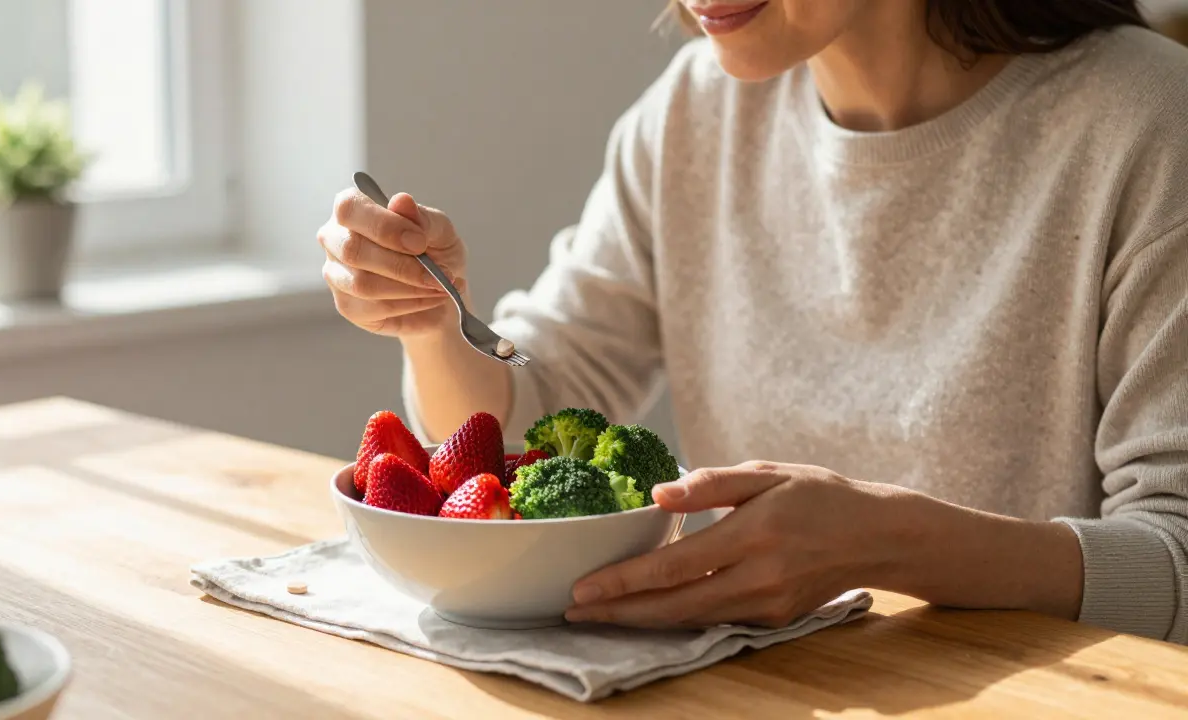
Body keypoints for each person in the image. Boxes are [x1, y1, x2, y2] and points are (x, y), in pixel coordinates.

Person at [318, 0, 1188, 643]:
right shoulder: (694, 111)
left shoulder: (1148, 121)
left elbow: (1174, 560)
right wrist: (433, 325)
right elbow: (530, 412)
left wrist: (890, 546)